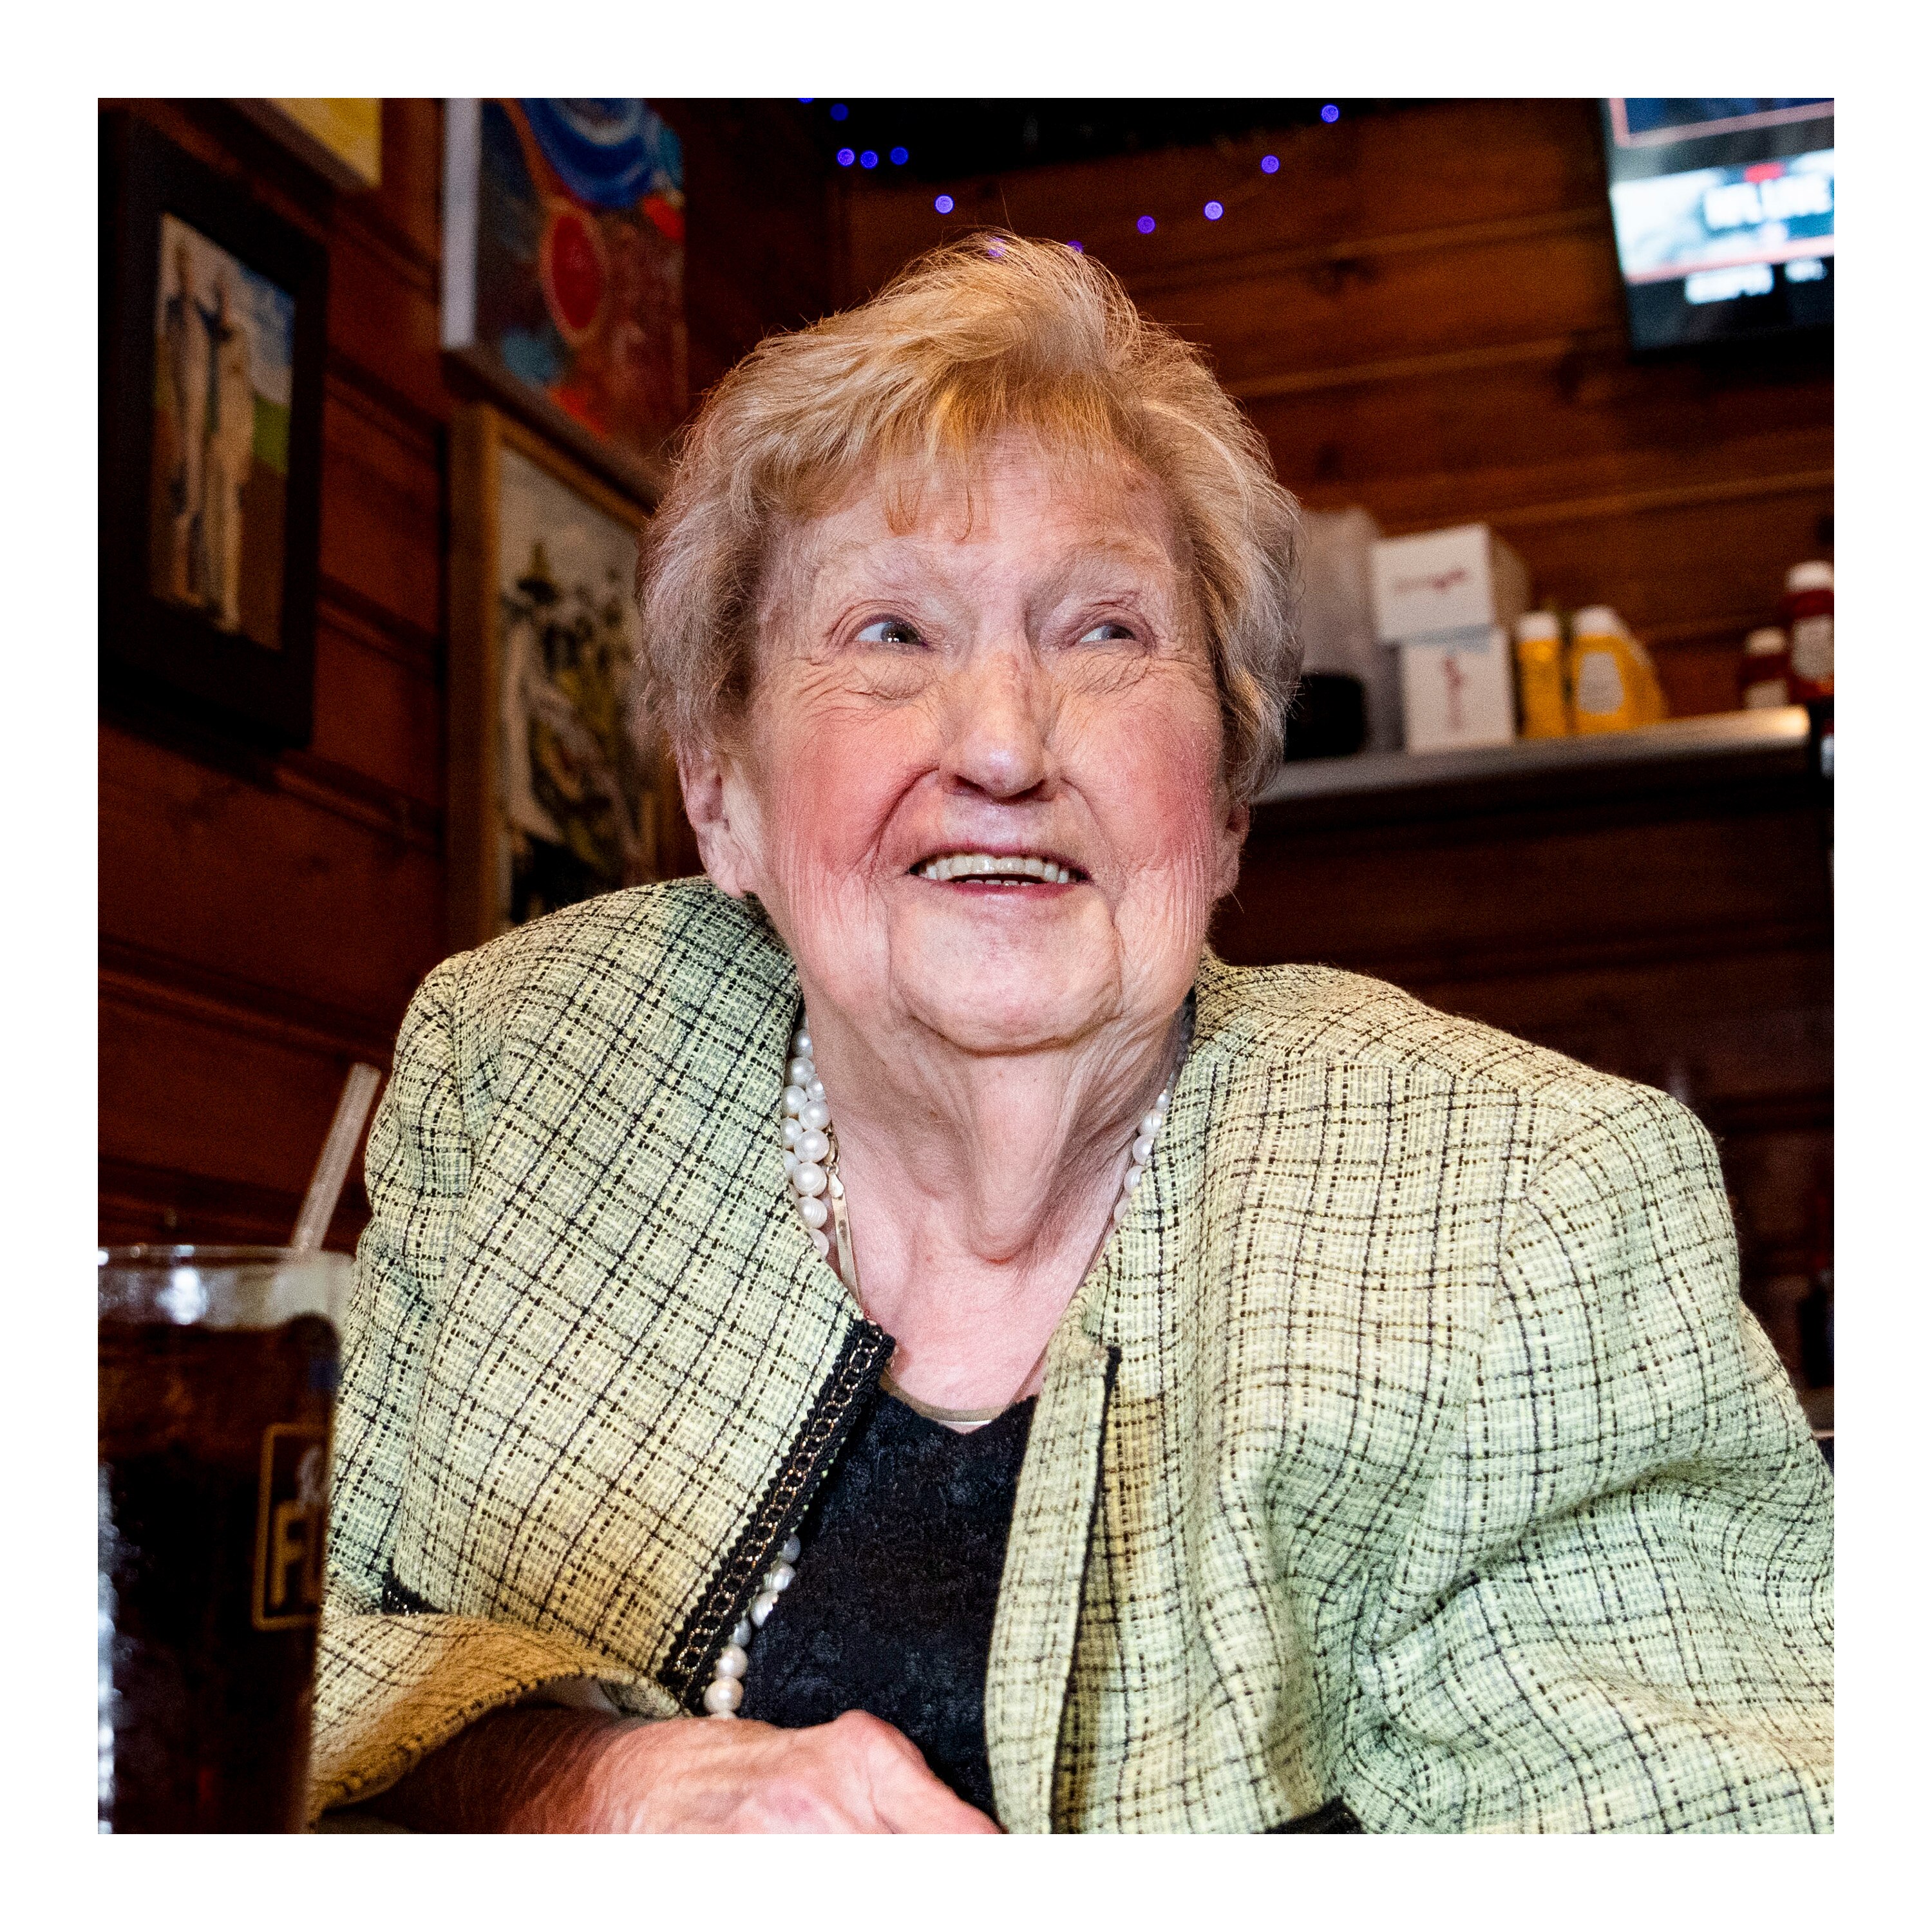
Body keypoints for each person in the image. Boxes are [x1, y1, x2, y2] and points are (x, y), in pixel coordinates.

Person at [315, 234, 1832, 1833]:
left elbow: (1717, 1835)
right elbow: (276, 1653)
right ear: (722, 791)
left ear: (1229, 802)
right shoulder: (529, 1065)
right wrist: (596, 1784)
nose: (1001, 743)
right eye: (891, 634)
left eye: (1103, 632)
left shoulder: (1522, 1195)